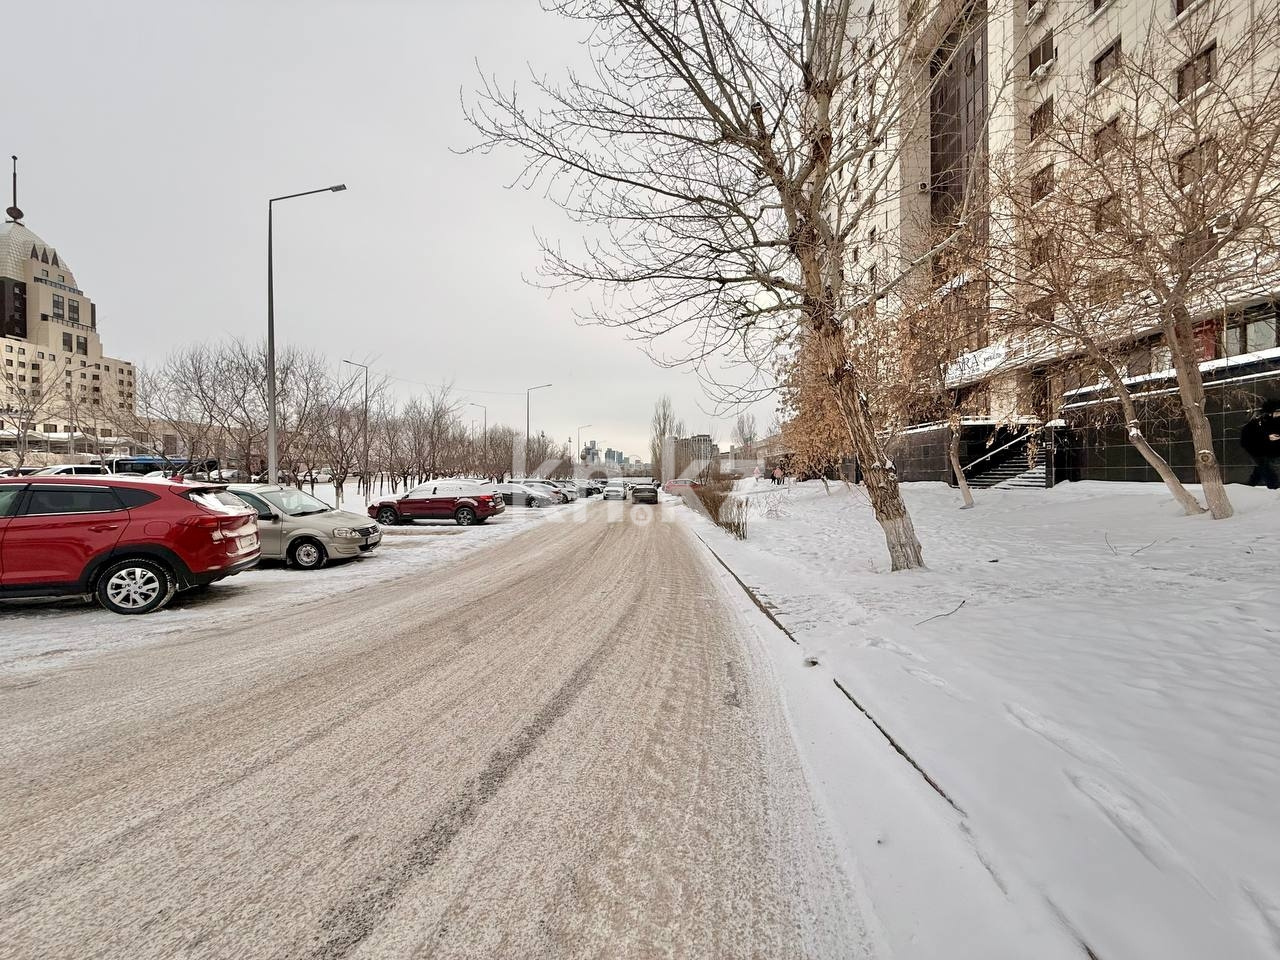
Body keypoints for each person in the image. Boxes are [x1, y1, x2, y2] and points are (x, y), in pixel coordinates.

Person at [1241, 398, 1280, 489]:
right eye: (1278, 411)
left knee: (1260, 469)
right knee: (1266, 469)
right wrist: (1268, 438)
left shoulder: (1272, 420)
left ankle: (1251, 485)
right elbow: (1249, 438)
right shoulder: (1258, 422)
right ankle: (1274, 488)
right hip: (1256, 450)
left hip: (1268, 451)